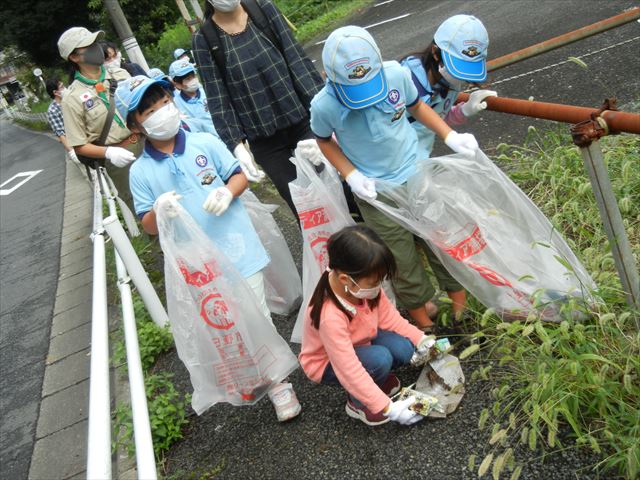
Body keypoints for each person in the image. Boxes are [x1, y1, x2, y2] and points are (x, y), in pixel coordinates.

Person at [117, 75, 302, 422]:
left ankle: (280, 384)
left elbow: (238, 176)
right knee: (227, 324)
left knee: (258, 316)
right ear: (135, 125)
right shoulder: (141, 172)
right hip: (199, 267)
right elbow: (147, 225)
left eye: (163, 104)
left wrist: (228, 192)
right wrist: (160, 210)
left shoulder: (204, 142)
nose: (162, 113)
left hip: (240, 250)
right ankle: (253, 374)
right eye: (149, 111)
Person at [310, 26, 480, 331]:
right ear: (328, 76)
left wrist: (449, 134)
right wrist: (351, 175)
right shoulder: (324, 106)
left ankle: (460, 313)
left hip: (416, 173)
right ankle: (425, 327)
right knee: (400, 258)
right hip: (376, 192)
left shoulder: (396, 75)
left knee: (441, 241)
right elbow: (324, 140)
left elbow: (417, 105)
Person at [191, 0, 325, 215]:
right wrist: (235, 144)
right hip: (264, 140)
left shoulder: (263, 9)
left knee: (334, 187)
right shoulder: (205, 39)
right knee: (304, 208)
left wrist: (322, 112)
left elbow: (295, 57)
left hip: (301, 120)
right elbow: (217, 96)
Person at [299, 225, 435, 426]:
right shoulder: (330, 316)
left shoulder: (359, 286)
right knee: (380, 359)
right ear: (346, 278)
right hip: (328, 361)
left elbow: (391, 318)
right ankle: (358, 403)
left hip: (360, 340)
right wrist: (386, 408)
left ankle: (375, 379)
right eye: (374, 282)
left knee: (404, 348)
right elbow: (348, 368)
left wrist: (421, 339)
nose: (378, 287)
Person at [401, 15, 497, 158]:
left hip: (418, 161)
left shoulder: (449, 84)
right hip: (385, 170)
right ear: (435, 52)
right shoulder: (405, 81)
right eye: (458, 68)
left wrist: (464, 110)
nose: (461, 78)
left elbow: (438, 116)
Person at [57, 27, 137, 171]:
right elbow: (79, 145)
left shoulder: (121, 75)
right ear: (74, 57)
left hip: (149, 142)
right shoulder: (71, 98)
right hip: (119, 161)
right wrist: (109, 152)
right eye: (89, 47)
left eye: (96, 44)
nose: (97, 49)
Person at [168, 59, 220, 138]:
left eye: (193, 76)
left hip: (224, 137)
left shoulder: (207, 91)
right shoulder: (176, 104)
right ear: (178, 84)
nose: (193, 80)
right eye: (188, 79)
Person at [45, 77, 79, 164]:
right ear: (55, 92)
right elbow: (61, 134)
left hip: (89, 139)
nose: (65, 88)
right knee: (93, 175)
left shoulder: (71, 99)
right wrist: (72, 152)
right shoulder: (53, 111)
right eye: (62, 87)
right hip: (76, 146)